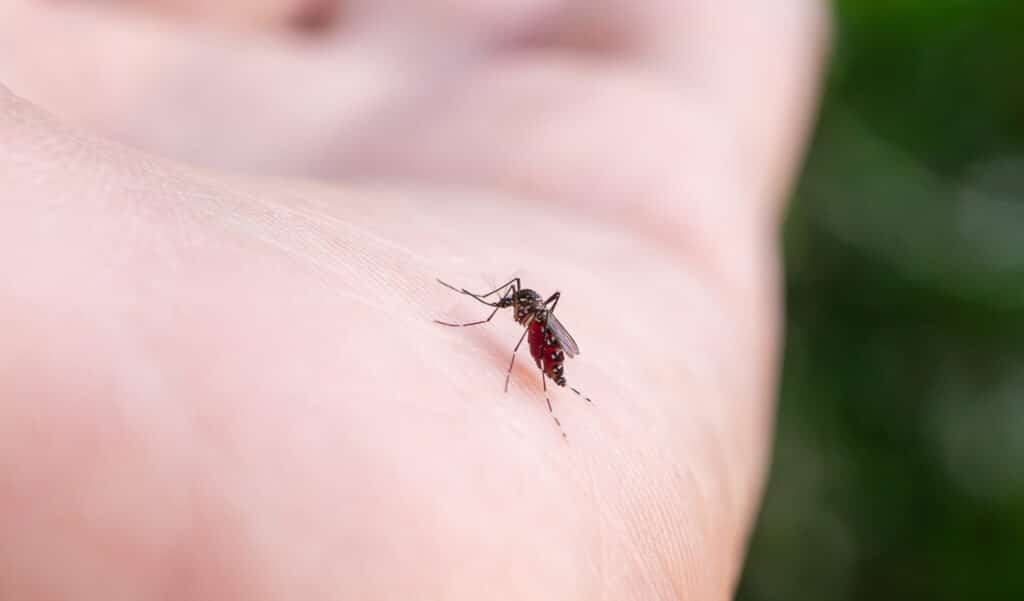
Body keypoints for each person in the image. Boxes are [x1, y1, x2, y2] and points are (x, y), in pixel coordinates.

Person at [0, 1, 827, 598]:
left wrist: (509, 322)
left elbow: (536, 323)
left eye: (518, 303)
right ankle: (552, 387)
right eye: (519, 305)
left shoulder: (534, 319)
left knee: (523, 353)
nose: (519, 309)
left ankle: (550, 389)